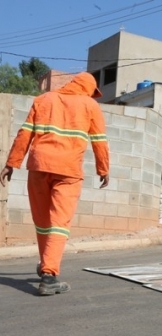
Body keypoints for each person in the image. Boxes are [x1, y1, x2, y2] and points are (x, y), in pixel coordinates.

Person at [0, 72, 110, 295]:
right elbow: (99, 140)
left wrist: (11, 163)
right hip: (68, 171)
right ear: (89, 89)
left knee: (42, 222)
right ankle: (49, 276)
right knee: (59, 223)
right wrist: (103, 169)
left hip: (39, 167)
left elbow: (25, 134)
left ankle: (45, 265)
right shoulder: (90, 106)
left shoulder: (44, 99)